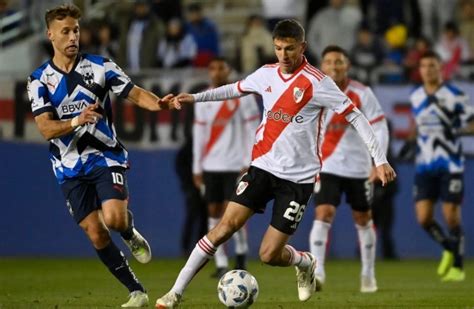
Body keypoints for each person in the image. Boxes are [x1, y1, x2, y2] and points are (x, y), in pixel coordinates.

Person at [155, 19, 396, 308]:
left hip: (297, 181)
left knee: (268, 255)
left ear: (302, 47)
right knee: (223, 228)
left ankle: (304, 261)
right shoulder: (266, 74)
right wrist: (194, 97)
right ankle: (175, 293)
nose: (284, 55)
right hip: (262, 168)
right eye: (279, 48)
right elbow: (232, 89)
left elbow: (356, 116)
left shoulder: (318, 83)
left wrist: (379, 159)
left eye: (290, 49)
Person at [27, 4, 176, 307]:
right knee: (96, 233)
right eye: (65, 31)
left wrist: (159, 104)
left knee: (114, 218)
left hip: (104, 155)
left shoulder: (101, 67)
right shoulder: (39, 80)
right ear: (50, 35)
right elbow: (45, 128)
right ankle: (137, 291)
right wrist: (75, 120)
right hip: (67, 166)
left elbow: (135, 93)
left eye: (76, 30)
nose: (73, 37)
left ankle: (128, 230)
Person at [309, 45, 389, 293]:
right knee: (323, 213)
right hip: (327, 165)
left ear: (348, 66)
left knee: (363, 218)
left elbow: (380, 126)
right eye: (329, 62)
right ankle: (318, 272)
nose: (334, 66)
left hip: (359, 167)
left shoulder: (362, 93)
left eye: (339, 62)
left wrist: (379, 162)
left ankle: (368, 274)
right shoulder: (314, 92)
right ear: (322, 66)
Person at [193, 57, 261, 278]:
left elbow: (254, 130)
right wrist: (197, 167)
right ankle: (220, 260)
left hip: (236, 165)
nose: (216, 72)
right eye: (212, 68)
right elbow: (199, 135)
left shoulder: (242, 97)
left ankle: (241, 253)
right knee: (213, 211)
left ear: (228, 70)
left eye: (220, 67)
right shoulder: (204, 98)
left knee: (232, 212)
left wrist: (249, 162)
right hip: (211, 165)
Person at [409, 50, 474, 282]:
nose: (428, 70)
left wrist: (456, 129)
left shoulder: (454, 95)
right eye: (424, 66)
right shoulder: (415, 96)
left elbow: (471, 122)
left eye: (432, 65)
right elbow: (417, 124)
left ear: (441, 68)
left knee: (451, 216)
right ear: (420, 70)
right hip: (424, 165)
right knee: (424, 218)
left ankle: (457, 267)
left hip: (451, 164)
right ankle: (448, 247)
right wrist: (411, 140)